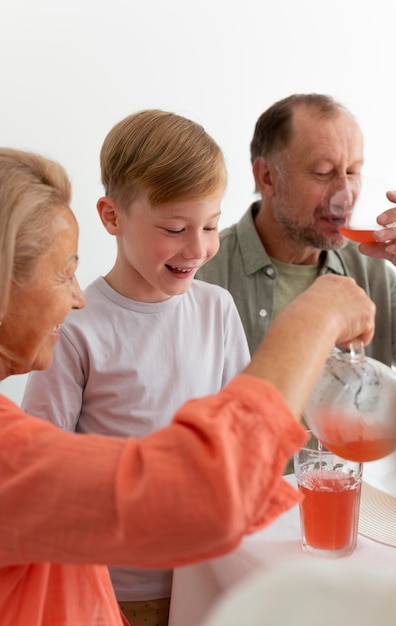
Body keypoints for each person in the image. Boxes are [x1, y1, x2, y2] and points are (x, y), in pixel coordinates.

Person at [0, 147, 376, 626]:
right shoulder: (11, 450)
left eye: (209, 226)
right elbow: (208, 488)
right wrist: (313, 318)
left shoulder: (213, 308)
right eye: (62, 272)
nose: (77, 297)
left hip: (198, 574)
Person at [21, 110, 250, 625]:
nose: (197, 248)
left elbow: (242, 437)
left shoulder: (217, 310)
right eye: (174, 228)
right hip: (111, 588)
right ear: (112, 217)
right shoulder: (76, 324)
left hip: (212, 573)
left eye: (211, 226)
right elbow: (41, 460)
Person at [196, 93, 396, 384]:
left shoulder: (371, 269)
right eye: (323, 173)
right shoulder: (202, 272)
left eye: (353, 172)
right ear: (267, 177)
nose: (347, 195)